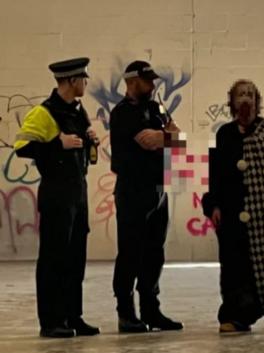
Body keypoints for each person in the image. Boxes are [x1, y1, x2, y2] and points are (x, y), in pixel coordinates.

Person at [202, 79, 264, 333]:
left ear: (257, 102)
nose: (245, 99)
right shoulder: (224, 134)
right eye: (240, 95)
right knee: (236, 268)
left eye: (250, 95)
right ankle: (237, 316)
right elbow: (217, 173)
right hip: (233, 214)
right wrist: (213, 204)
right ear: (232, 102)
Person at [14, 58, 100, 338]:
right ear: (72, 80)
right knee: (54, 259)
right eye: (83, 79)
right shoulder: (44, 112)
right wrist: (56, 144)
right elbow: (22, 146)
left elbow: (80, 148)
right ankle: (51, 321)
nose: (86, 83)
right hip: (56, 193)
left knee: (76, 258)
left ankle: (73, 317)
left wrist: (90, 140)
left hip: (78, 192)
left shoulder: (78, 111)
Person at [109, 60, 183, 333]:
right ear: (131, 82)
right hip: (133, 191)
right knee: (130, 252)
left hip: (157, 189)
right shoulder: (122, 114)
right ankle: (126, 313)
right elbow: (150, 140)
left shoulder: (156, 107)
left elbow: (179, 139)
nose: (153, 85)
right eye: (147, 81)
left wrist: (164, 136)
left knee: (154, 253)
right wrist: (166, 136)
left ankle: (152, 310)